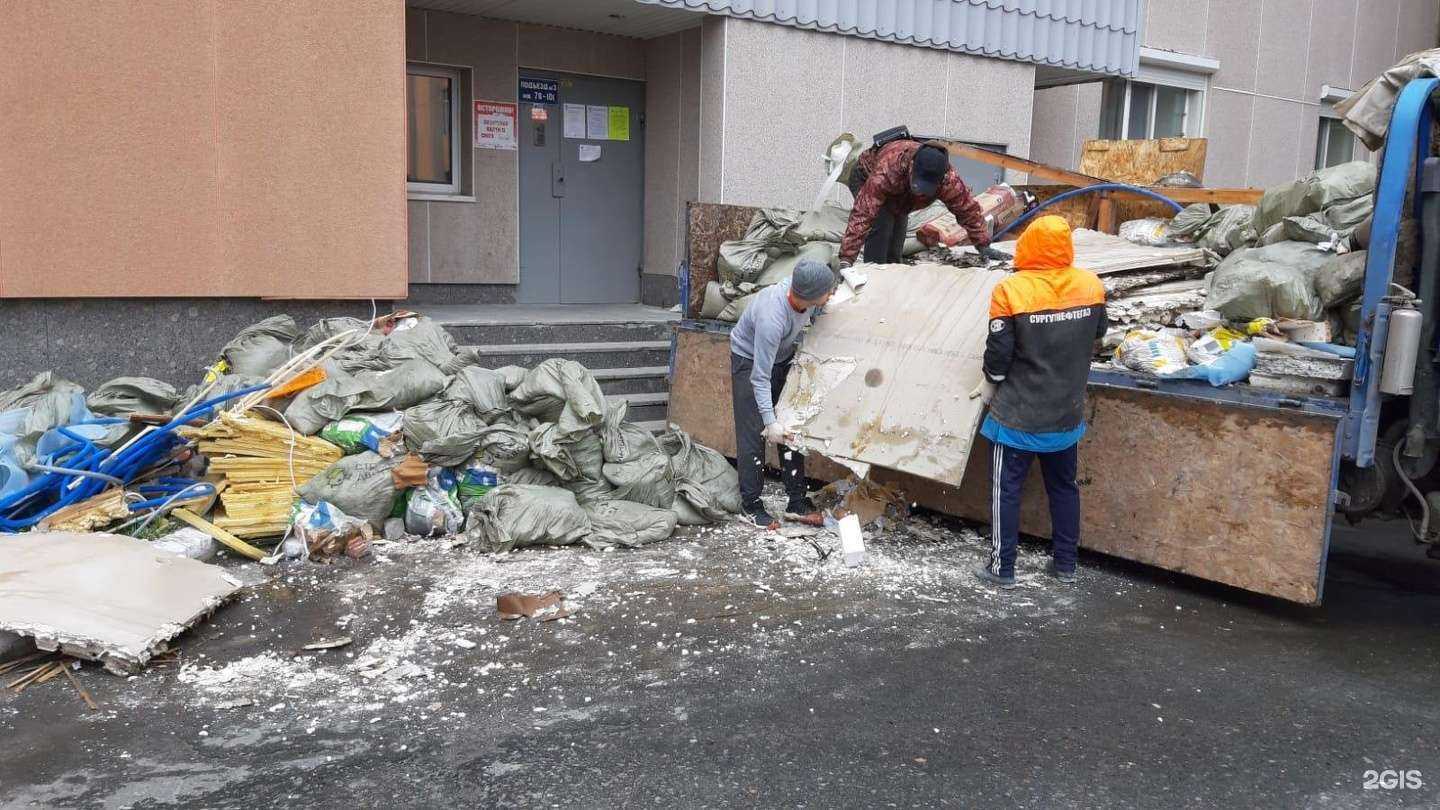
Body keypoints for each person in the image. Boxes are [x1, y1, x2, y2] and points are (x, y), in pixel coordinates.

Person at [968, 215, 1106, 587]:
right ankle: (1065, 565)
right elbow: (1100, 334)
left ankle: (1002, 568)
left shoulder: (1011, 290)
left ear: (1028, 244)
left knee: (1006, 489)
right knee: (1064, 487)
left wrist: (990, 384)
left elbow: (998, 356)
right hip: (1065, 411)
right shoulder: (1091, 285)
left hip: (1019, 414)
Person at [729, 260, 837, 528]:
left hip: (782, 357)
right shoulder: (771, 319)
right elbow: (759, 377)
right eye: (828, 291)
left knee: (790, 429)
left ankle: (796, 502)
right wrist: (769, 420)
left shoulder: (803, 290)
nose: (831, 294)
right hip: (749, 360)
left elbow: (819, 303)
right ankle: (750, 506)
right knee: (754, 433)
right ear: (812, 296)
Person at [839, 138, 1007, 267]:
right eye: (918, 184)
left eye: (927, 187)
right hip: (865, 175)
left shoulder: (949, 181)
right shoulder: (888, 171)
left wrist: (983, 245)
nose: (920, 190)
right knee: (882, 225)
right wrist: (846, 259)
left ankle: (892, 274)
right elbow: (863, 214)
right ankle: (873, 278)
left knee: (897, 237)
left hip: (901, 194)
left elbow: (968, 211)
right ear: (912, 166)